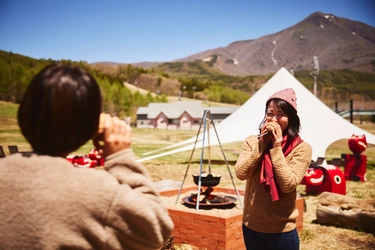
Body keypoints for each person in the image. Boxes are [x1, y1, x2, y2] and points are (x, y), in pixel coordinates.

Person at [0, 63, 174, 249]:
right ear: (89, 128)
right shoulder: (97, 192)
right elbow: (158, 229)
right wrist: (120, 156)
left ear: (24, 113)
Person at [235, 88, 312, 250]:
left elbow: (288, 185)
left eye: (280, 114)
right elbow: (241, 173)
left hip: (282, 230)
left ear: (290, 118)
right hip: (251, 226)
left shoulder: (302, 149)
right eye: (270, 113)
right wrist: (262, 144)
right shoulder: (252, 142)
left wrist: (276, 148)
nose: (274, 119)